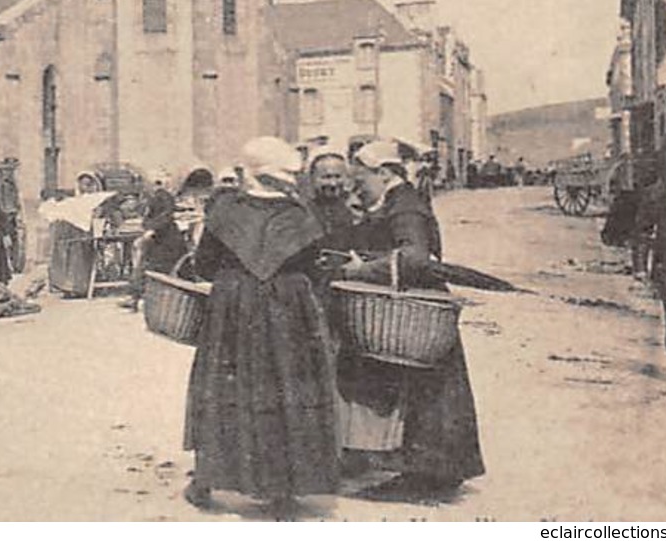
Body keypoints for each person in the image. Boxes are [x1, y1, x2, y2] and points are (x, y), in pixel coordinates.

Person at [183, 137, 339, 516]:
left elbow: (203, 264)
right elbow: (313, 263)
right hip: (289, 307)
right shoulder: (300, 215)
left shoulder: (225, 211)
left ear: (248, 173)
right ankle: (284, 489)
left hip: (233, 305)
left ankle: (206, 480)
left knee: (223, 387)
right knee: (286, 384)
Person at [331, 139, 485, 498]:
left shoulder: (406, 208)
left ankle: (428, 474)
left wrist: (363, 270)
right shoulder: (398, 201)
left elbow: (414, 257)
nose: (358, 187)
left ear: (383, 173)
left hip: (414, 310)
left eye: (362, 179)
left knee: (426, 392)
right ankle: (422, 468)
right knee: (419, 389)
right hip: (406, 307)